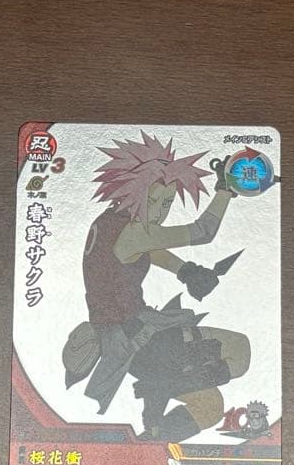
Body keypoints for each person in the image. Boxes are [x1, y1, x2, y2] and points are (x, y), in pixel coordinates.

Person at [63, 132, 250, 442]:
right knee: (240, 351)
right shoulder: (134, 231)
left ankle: (153, 436)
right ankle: (161, 386)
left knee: (209, 407)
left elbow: (140, 251)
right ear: (131, 191)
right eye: (152, 200)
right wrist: (225, 190)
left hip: (126, 345)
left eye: (167, 202)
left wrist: (186, 271)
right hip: (145, 341)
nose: (160, 211)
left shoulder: (108, 223)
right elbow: (203, 231)